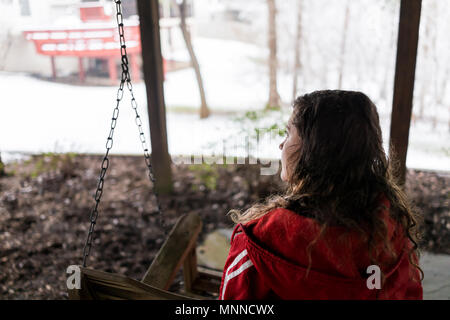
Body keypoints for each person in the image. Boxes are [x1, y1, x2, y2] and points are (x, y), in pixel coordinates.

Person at [219, 90, 423, 300]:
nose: (281, 144)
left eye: (289, 133)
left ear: (314, 150)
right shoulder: (391, 233)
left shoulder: (260, 241)